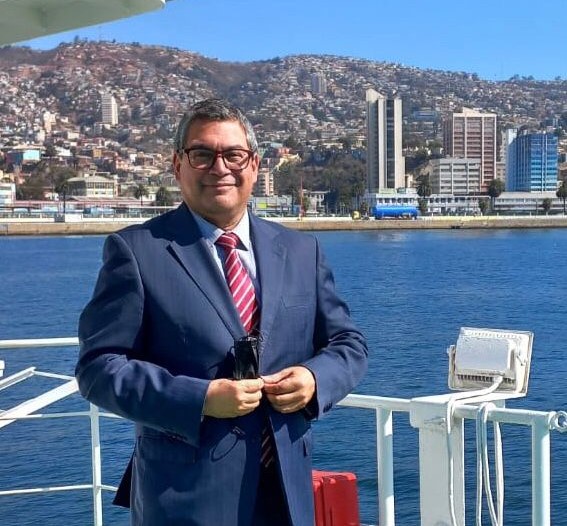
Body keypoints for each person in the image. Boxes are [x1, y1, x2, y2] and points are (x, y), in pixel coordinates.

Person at [76, 98, 368, 526]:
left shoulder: (303, 250)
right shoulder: (136, 251)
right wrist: (200, 399)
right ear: (178, 165)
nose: (220, 167)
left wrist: (314, 379)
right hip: (184, 501)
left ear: (254, 165)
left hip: (287, 495)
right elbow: (98, 368)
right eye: (202, 154)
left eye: (233, 154)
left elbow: (348, 344)